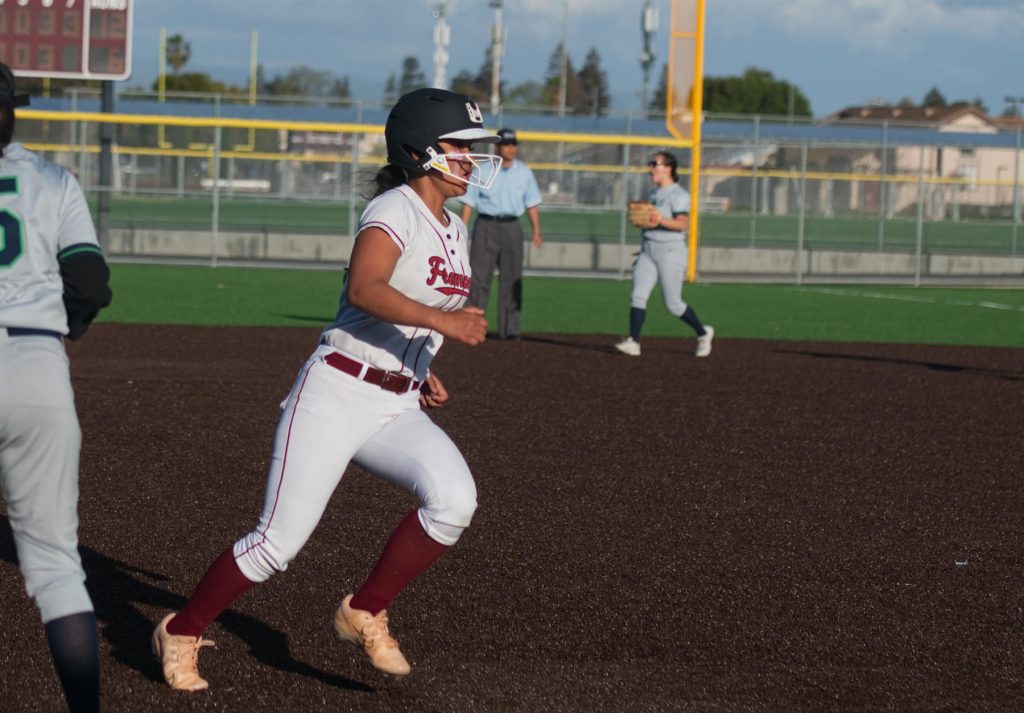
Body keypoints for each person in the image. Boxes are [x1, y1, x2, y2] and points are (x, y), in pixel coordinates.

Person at [151, 88, 503, 691]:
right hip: (336, 393)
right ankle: (180, 630)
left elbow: (403, 309)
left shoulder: (455, 228)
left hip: (395, 402)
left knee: (455, 501)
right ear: (420, 151)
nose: (470, 158)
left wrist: (418, 364)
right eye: (459, 146)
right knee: (275, 545)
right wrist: (441, 323)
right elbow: (365, 288)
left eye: (473, 148)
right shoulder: (394, 208)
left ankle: (364, 610)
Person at [0, 63, 112, 713]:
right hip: (35, 363)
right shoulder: (53, 179)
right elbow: (91, 282)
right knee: (55, 566)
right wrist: (62, 328)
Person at [615, 151, 714, 358]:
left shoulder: (678, 195)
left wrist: (659, 220)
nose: (650, 168)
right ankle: (634, 342)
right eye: (650, 163)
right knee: (638, 296)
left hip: (670, 251)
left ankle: (703, 333)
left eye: (655, 163)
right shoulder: (653, 193)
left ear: (668, 168)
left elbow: (683, 224)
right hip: (648, 249)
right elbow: (650, 221)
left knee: (673, 305)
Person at [459, 127, 542, 339]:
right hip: (486, 225)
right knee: (478, 279)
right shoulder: (484, 170)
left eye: (513, 144)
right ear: (497, 147)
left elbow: (531, 203)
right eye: (506, 144)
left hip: (512, 226)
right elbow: (469, 202)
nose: (511, 148)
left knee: (512, 279)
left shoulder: (524, 172)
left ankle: (510, 331)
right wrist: (462, 230)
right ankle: (473, 325)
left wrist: (536, 230)